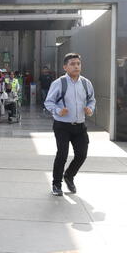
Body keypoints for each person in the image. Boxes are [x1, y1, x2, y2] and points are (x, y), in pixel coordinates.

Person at [44, 53, 96, 197]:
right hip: (62, 126)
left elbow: (92, 100)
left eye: (78, 63)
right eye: (72, 64)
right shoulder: (59, 83)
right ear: (65, 67)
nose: (76, 66)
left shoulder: (86, 83)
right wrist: (58, 111)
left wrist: (90, 109)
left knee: (82, 154)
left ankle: (69, 175)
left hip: (80, 126)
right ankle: (56, 184)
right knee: (62, 154)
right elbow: (48, 102)